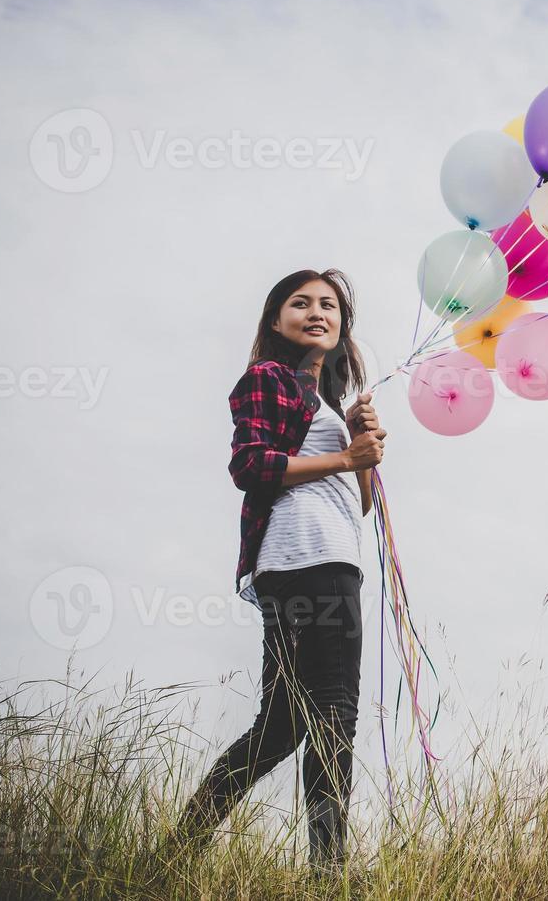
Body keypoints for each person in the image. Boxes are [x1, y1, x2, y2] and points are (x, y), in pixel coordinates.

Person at [163, 268, 386, 876]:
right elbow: (251, 465)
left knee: (284, 723)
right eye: (301, 302)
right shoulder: (267, 379)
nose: (318, 312)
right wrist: (345, 454)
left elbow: (359, 503)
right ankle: (328, 874)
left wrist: (362, 452)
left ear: (343, 325)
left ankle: (177, 849)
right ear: (274, 320)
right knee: (335, 708)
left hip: (324, 559)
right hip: (306, 559)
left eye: (329, 305)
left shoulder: (333, 406)